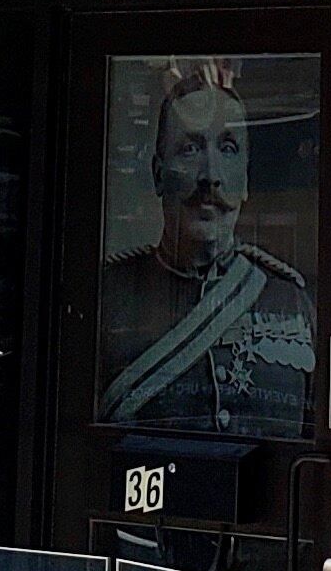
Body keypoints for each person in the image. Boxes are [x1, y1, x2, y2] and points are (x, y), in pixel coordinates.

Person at [96, 59, 317, 436]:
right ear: (158, 175)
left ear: (245, 180)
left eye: (228, 148)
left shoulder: (290, 299)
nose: (210, 176)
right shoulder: (109, 295)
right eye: (189, 148)